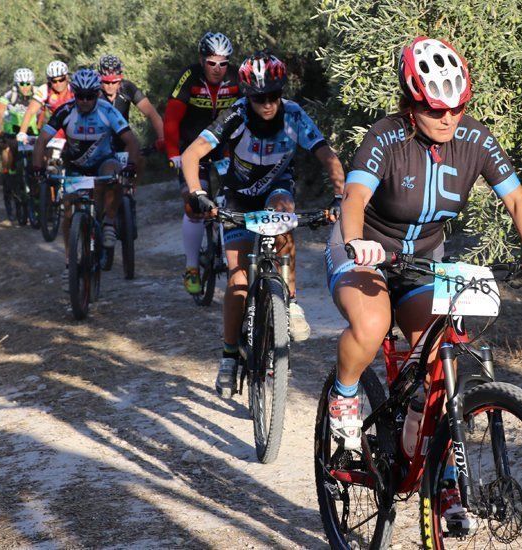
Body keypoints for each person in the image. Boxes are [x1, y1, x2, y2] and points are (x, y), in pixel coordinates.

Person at [324, 36, 522, 526]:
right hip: (366, 247)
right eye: (435, 109)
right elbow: (354, 199)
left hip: (425, 260)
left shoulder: (475, 139)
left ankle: (438, 470)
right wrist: (355, 242)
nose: (448, 118)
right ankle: (344, 396)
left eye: (457, 107)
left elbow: (517, 199)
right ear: (412, 105)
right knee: (372, 326)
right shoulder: (386, 136)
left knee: (438, 360)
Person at [181, 52, 344, 397]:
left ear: (281, 91)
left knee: (283, 212)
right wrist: (198, 193)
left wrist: (339, 197)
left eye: (274, 95)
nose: (268, 103)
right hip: (237, 197)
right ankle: (228, 357)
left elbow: (328, 157)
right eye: (259, 97)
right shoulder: (236, 115)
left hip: (276, 191)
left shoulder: (294, 116)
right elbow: (191, 154)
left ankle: (291, 301)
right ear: (247, 95)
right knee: (239, 282)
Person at [31, 69, 140, 288]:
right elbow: (42, 140)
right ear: (75, 93)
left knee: (114, 172)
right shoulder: (65, 111)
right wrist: (37, 167)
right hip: (76, 166)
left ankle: (109, 221)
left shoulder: (108, 111)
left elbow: (131, 141)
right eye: (80, 95)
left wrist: (130, 166)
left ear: (97, 94)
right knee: (69, 213)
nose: (84, 101)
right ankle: (69, 264)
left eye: (90, 96)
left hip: (103, 162)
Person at [163, 32, 240, 298]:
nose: (218, 69)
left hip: (226, 148)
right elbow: (171, 118)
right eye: (211, 63)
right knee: (195, 204)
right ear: (201, 60)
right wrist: (173, 153)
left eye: (223, 63)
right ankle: (192, 267)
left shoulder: (237, 78)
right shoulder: (190, 77)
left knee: (237, 198)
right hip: (191, 148)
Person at [98, 54, 165, 155]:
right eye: (106, 82)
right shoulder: (94, 91)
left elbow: (152, 113)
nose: (110, 86)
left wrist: (162, 138)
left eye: (114, 82)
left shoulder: (127, 88)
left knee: (139, 162)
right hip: (98, 145)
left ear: (120, 79)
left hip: (124, 144)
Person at [0, 68, 40, 209]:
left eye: (27, 83)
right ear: (16, 84)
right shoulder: (9, 96)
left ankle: (39, 198)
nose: (25, 87)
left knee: (36, 163)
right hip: (11, 131)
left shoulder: (37, 93)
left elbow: (44, 110)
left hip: (31, 132)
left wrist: (42, 125)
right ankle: (8, 175)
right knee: (8, 151)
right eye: (21, 84)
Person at [17, 60, 73, 144]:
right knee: (44, 148)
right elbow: (30, 111)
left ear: (67, 77)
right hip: (55, 127)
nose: (58, 84)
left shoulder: (73, 88)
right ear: (49, 80)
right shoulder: (45, 89)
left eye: (61, 79)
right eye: (54, 81)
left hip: (73, 126)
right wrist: (22, 132)